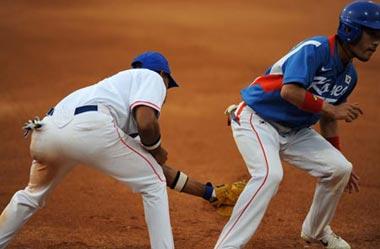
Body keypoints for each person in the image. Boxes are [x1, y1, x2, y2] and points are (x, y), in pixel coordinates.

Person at [0, 51, 234, 249]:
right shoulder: (150, 78)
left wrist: (207, 192)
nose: (165, 92)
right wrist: (156, 147)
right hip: (89, 128)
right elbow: (147, 123)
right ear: (162, 74)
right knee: (152, 184)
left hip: (45, 133)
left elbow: (155, 167)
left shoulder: (111, 94)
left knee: (31, 195)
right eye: (168, 84)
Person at [215, 1, 380, 249]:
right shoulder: (315, 49)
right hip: (257, 119)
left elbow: (328, 118)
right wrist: (330, 108)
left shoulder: (349, 76)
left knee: (340, 168)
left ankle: (315, 231)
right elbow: (289, 91)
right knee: (269, 175)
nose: (376, 42)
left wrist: (334, 152)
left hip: (295, 131)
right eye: (372, 33)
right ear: (351, 31)